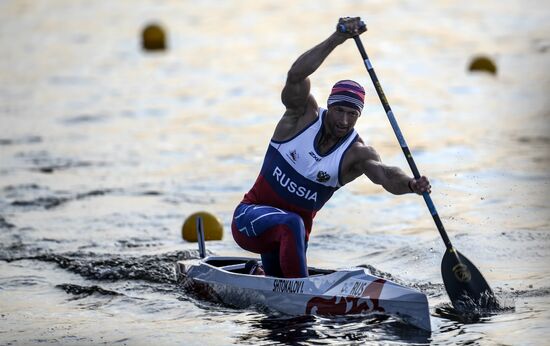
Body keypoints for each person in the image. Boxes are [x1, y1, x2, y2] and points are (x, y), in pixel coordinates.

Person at [231, 17, 431, 278]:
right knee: (293, 222)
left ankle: (267, 279)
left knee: (291, 237)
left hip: (287, 240)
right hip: (248, 220)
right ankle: (299, 293)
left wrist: (411, 185)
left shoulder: (356, 154)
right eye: (339, 111)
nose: (344, 121)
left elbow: (386, 175)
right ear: (329, 106)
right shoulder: (300, 117)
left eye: (352, 114)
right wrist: (337, 38)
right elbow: (295, 75)